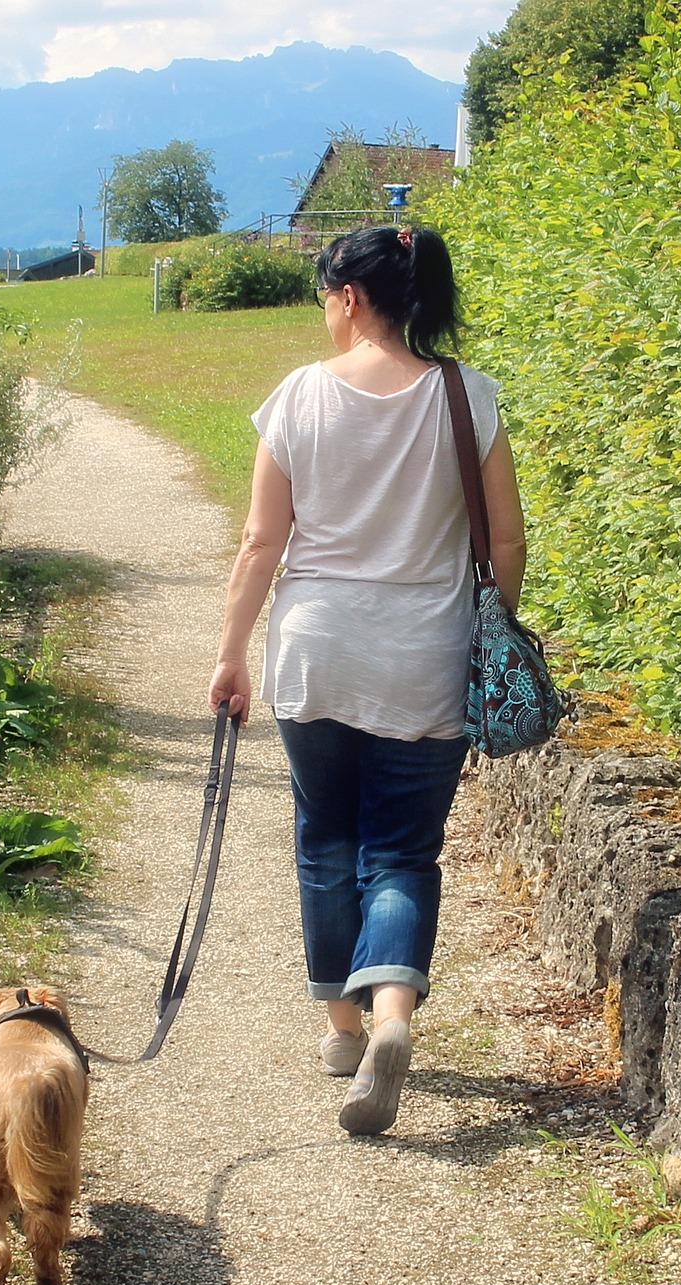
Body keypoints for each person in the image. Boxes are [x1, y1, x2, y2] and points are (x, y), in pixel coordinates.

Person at [207, 223, 527, 1136]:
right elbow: (504, 539)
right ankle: (393, 1012)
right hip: (423, 656)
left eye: (324, 295)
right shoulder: (470, 397)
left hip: (316, 651)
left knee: (326, 838)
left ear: (350, 297)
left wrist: (231, 651)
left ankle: (344, 1030)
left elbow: (262, 541)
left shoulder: (300, 397)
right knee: (401, 850)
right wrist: (484, 629)